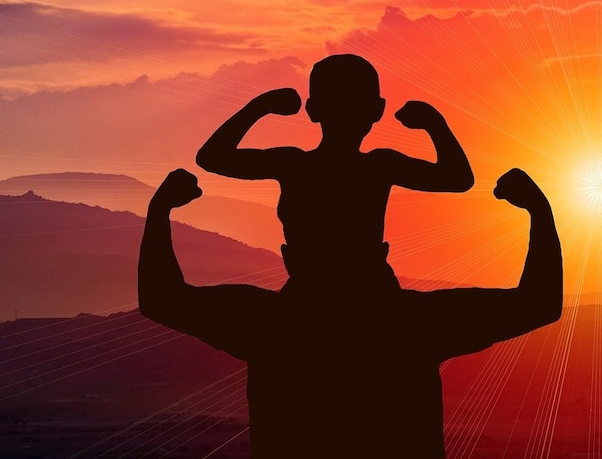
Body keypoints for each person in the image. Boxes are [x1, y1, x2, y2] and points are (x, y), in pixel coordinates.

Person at [138, 167, 561, 457]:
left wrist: (161, 212)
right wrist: (538, 211)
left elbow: (162, 298)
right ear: (381, 251)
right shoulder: (416, 324)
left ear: (289, 256)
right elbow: (537, 303)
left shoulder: (267, 324)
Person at [196, 54, 474, 291]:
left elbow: (213, 157)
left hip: (317, 292)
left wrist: (261, 107)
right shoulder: (380, 165)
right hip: (369, 293)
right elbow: (457, 178)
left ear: (313, 110)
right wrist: (434, 124)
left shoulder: (294, 164)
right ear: (377, 110)